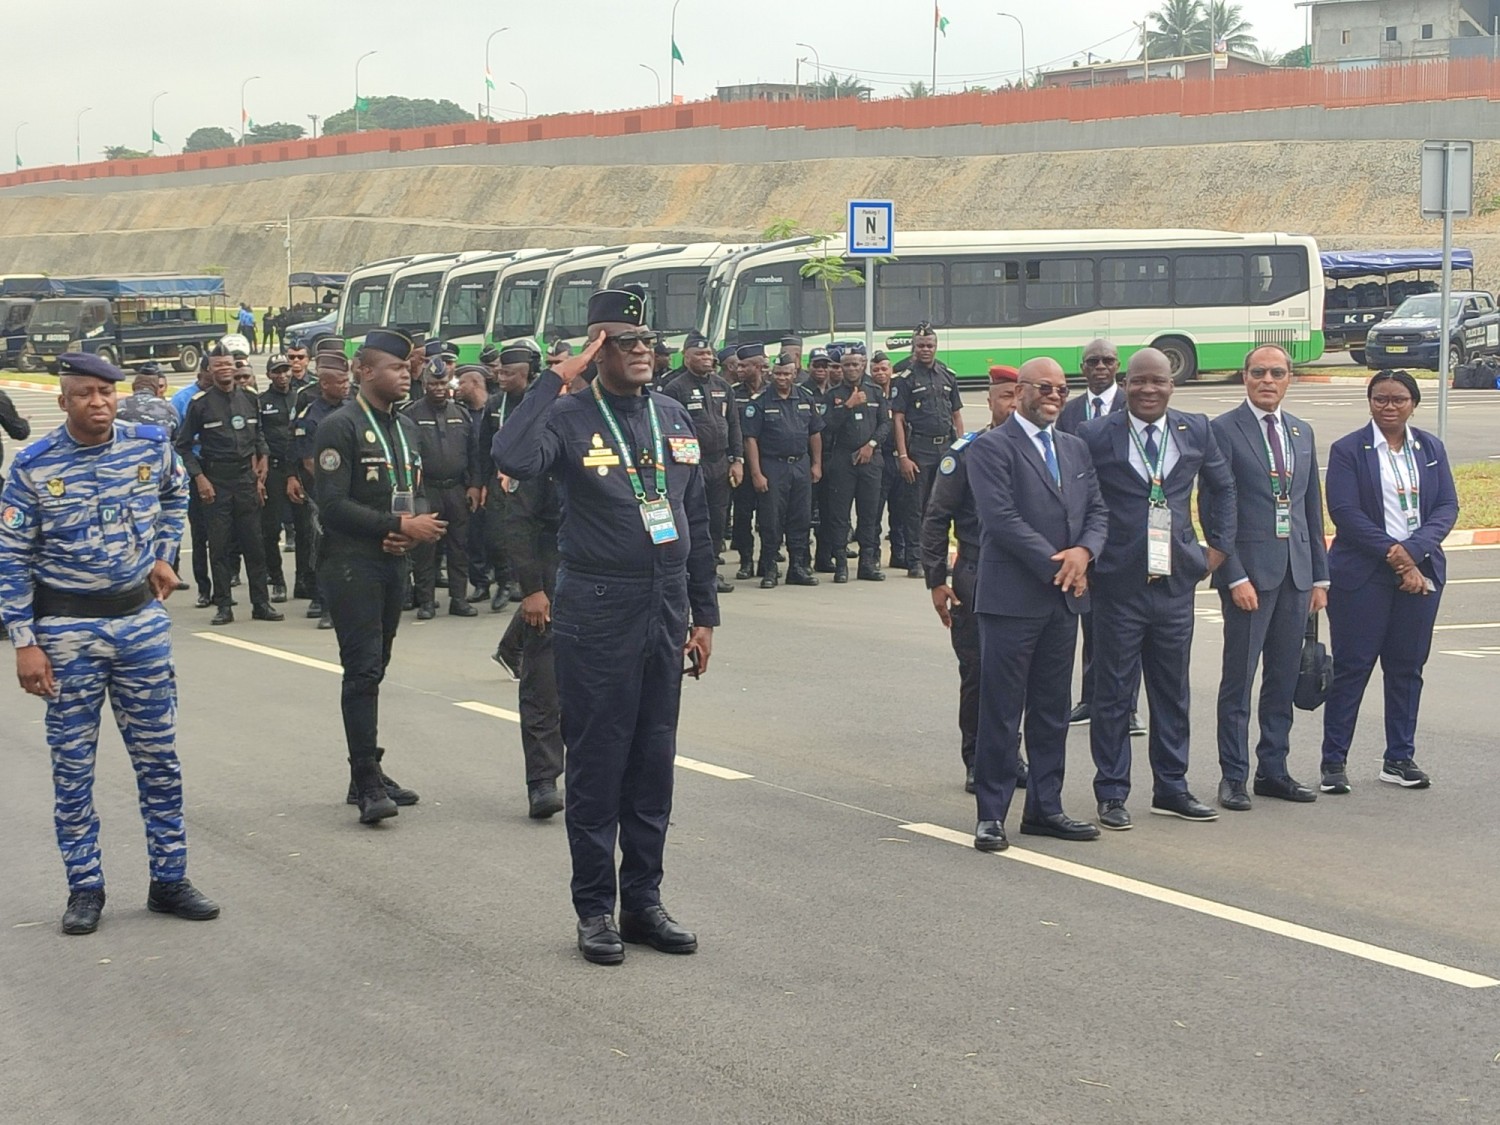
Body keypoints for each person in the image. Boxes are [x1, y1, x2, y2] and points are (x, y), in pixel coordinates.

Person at [493, 288, 718, 966]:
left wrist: (705, 613)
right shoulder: (566, 415)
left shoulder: (674, 413)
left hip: (666, 602)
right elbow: (510, 455)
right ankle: (595, 908)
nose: (643, 349)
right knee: (598, 761)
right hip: (598, 603)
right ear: (597, 350)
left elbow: (697, 519)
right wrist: (556, 378)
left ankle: (643, 901)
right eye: (624, 340)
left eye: (647, 338)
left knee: (653, 759)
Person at [0, 352, 219, 936]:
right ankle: (84, 887)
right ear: (63, 400)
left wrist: (165, 556)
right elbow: (12, 558)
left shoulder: (148, 445)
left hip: (139, 625)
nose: (98, 402)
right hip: (66, 633)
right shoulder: (34, 466)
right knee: (73, 768)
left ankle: (169, 879)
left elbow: (177, 497)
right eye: (85, 393)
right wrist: (24, 641)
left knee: (160, 760)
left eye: (106, 392)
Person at [1078, 348, 1237, 830]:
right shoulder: (1094, 433)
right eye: (1140, 381)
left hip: (1175, 583)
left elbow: (1222, 487)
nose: (1149, 390)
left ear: (1173, 385)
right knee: (1113, 693)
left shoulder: (1197, 429)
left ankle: (1172, 787)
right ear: (1126, 385)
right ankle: (1112, 791)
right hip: (1117, 582)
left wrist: (1218, 549)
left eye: (1159, 382)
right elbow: (1080, 496)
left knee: (1173, 691)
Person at [965, 357, 1108, 852]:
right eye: (1045, 388)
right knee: (1002, 712)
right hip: (1011, 601)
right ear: (1021, 390)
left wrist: (1085, 552)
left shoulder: (1074, 448)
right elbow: (1000, 520)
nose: (1054, 396)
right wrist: (1061, 564)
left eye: (1062, 390)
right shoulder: (991, 448)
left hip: (1063, 602)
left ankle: (1046, 807)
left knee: (1052, 711)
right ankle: (992, 814)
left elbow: (1097, 510)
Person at [314, 329, 446, 824]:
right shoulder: (339, 426)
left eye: (408, 366)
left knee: (379, 664)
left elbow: (418, 492)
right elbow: (331, 506)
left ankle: (364, 770)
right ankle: (366, 779)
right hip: (350, 564)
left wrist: (409, 532)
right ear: (364, 371)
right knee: (363, 669)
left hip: (393, 560)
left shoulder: (406, 429)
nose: (407, 374)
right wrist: (394, 525)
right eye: (396, 367)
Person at [1319, 370, 1459, 794]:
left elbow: (1447, 506)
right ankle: (1333, 763)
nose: (1389, 406)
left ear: (1413, 403)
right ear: (1370, 402)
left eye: (1398, 399)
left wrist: (1414, 552)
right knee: (1353, 667)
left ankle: (1399, 758)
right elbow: (1345, 512)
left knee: (1406, 668)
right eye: (1380, 399)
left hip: (1420, 573)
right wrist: (1396, 556)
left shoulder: (1430, 448)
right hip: (1362, 575)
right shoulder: (1349, 450)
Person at [1206, 344, 1329, 811]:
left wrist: (1320, 576)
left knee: (1281, 679)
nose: (1268, 380)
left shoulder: (1301, 431)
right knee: (1238, 681)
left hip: (1297, 575)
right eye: (1259, 372)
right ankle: (1233, 776)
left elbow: (1309, 510)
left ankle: (1273, 770)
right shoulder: (1222, 430)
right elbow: (1215, 509)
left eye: (1278, 372)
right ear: (1245, 377)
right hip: (1249, 580)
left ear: (1290, 379)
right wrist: (1232, 574)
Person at [923, 366, 1029, 794]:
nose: (1013, 405)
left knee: (1018, 674)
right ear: (990, 401)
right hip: (976, 572)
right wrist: (935, 579)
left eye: (1019, 397)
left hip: (1023, 575)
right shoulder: (967, 451)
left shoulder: (1038, 450)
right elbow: (936, 518)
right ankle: (977, 757)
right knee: (979, 672)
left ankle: (1010, 754)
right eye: (1005, 397)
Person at [1056, 338, 1135, 731]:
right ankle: (1090, 698)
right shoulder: (1070, 412)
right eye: (1092, 361)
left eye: (1107, 361)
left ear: (1118, 365)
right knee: (1091, 620)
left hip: (1124, 530)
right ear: (1083, 367)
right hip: (1084, 529)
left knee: (1127, 625)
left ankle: (1128, 705)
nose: (1100, 367)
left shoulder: (1132, 403)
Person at [175, 346, 283, 626]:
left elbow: (258, 432)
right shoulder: (200, 404)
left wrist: (264, 459)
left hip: (246, 479)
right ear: (209, 369)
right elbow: (183, 446)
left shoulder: (249, 398)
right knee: (220, 546)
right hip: (216, 481)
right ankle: (223, 605)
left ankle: (261, 603)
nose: (224, 368)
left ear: (235, 367)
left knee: (254, 544)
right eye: (218, 365)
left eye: (228, 364)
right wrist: (200, 478)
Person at [496, 436, 570, 820]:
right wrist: (532, 589)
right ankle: (542, 781)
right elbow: (519, 522)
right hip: (552, 566)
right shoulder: (542, 448)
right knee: (544, 684)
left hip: (601, 569)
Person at [661, 331, 743, 593]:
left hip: (720, 463)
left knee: (717, 520)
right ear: (686, 358)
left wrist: (737, 460)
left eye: (709, 353)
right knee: (689, 518)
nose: (706, 358)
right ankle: (686, 573)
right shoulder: (675, 388)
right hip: (690, 464)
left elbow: (734, 426)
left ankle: (711, 573)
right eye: (700, 354)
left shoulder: (722, 387)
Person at [890, 322, 965, 578]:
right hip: (918, 450)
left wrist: (961, 448)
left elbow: (956, 414)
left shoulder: (947, 375)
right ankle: (916, 560)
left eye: (930, 345)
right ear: (913, 346)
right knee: (916, 508)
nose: (925, 350)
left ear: (936, 346)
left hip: (945, 448)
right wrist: (903, 456)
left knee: (942, 506)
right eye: (921, 345)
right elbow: (897, 418)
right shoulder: (906, 379)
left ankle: (939, 559)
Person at [743, 349, 824, 589]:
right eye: (777, 373)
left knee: (801, 518)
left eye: (786, 373)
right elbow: (750, 440)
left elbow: (815, 432)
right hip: (772, 466)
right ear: (771, 374)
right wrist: (756, 473)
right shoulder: (760, 402)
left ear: (795, 373)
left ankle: (797, 567)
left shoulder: (805, 397)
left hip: (800, 464)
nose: (781, 377)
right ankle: (769, 568)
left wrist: (817, 463)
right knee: (771, 520)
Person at [404, 363, 479, 619]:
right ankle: (426, 601)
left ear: (450, 383)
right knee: (425, 548)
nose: (438, 388)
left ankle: (459, 600)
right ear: (425, 385)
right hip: (427, 490)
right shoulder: (410, 414)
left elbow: (473, 454)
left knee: (459, 547)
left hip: (456, 489)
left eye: (442, 383)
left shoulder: (461, 413)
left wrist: (474, 486)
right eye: (433, 384)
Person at [472, 344, 538, 609]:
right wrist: (479, 484)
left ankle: (530, 583)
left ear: (525, 374)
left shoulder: (539, 401)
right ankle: (504, 582)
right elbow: (483, 447)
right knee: (496, 534)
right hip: (498, 480)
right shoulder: (495, 403)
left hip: (532, 480)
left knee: (528, 534)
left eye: (508, 374)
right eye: (500, 373)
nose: (501, 378)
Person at [290, 350, 352, 626]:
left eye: (347, 379)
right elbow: (309, 461)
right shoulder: (310, 416)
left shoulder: (355, 408)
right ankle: (326, 606)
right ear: (324, 384)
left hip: (356, 492)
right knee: (328, 549)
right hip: (326, 493)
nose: (346, 385)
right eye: (340, 381)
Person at [821, 342, 889, 583]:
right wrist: (848, 406)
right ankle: (841, 564)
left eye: (856, 364)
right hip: (843, 459)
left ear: (863, 366)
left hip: (870, 459)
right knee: (840, 514)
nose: (851, 369)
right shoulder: (833, 395)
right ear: (841, 367)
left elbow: (885, 424)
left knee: (869, 514)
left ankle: (867, 563)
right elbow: (825, 426)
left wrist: (871, 445)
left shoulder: (875, 392)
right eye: (847, 365)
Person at [170, 360, 215, 605]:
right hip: (194, 469)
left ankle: (223, 589)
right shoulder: (183, 399)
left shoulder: (225, 397)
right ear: (203, 372)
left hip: (222, 470)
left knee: (223, 536)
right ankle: (204, 590)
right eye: (213, 370)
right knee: (199, 534)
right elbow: (176, 439)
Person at [256, 354, 299, 603]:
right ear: (269, 375)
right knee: (270, 529)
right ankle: (278, 581)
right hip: (273, 470)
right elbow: (257, 434)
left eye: (285, 370)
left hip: (297, 470)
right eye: (276, 371)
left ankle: (305, 579)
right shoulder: (261, 402)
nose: (282, 375)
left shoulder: (299, 397)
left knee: (304, 527)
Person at [727, 347, 762, 579]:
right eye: (738, 366)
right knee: (742, 515)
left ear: (758, 367)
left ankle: (767, 561)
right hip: (743, 465)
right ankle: (746, 560)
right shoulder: (732, 393)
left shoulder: (773, 391)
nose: (739, 370)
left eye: (744, 366)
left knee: (771, 517)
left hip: (768, 463)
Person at [114, 368, 179, 437]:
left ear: (133, 387)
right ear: (157, 389)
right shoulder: (169, 409)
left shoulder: (118, 407)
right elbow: (175, 437)